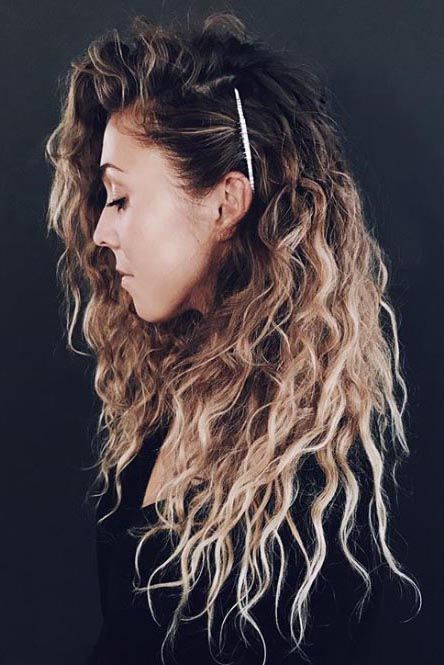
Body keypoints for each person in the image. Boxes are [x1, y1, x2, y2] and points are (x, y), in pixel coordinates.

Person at [44, 10, 421, 665]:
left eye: (120, 198)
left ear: (225, 203)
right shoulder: (164, 404)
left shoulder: (311, 482)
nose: (100, 232)